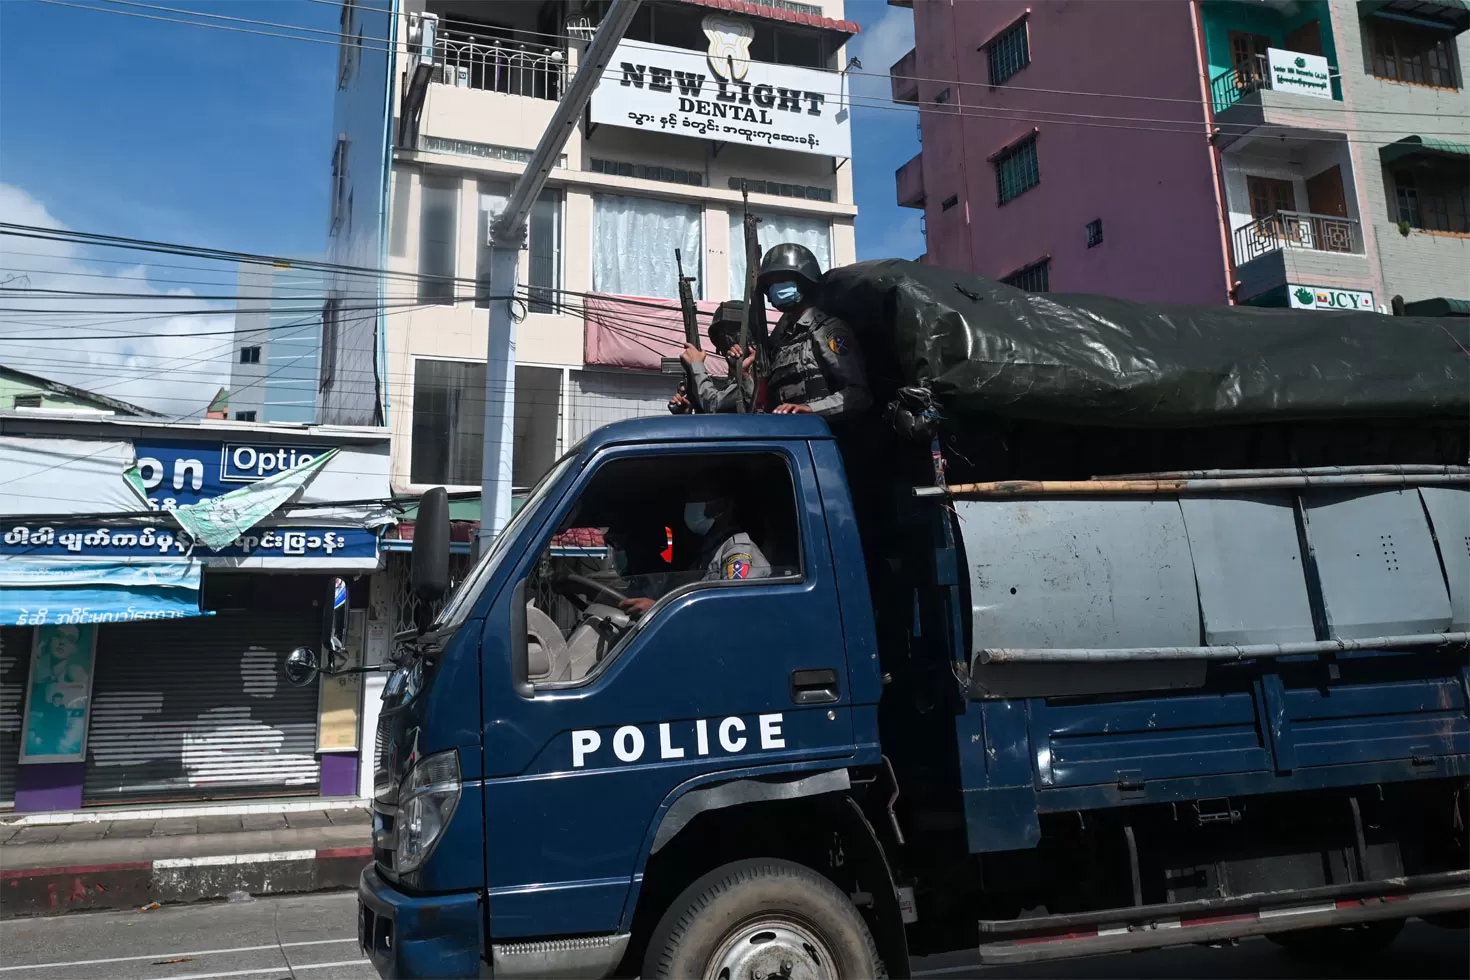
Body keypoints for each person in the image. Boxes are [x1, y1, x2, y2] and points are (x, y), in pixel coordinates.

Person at [619, 472, 770, 617]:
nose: (691, 504)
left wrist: (660, 611)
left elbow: (734, 610)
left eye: (699, 497)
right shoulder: (708, 550)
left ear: (725, 505)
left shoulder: (737, 551)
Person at [757, 243, 871, 419]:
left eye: (783, 280)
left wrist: (811, 409)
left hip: (826, 438)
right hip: (790, 436)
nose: (776, 288)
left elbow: (858, 395)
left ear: (805, 283)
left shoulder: (827, 330)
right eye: (771, 284)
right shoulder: (779, 342)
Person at [668, 302, 758, 414]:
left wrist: (696, 366)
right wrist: (687, 412)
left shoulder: (755, 378)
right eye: (722, 334)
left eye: (733, 332)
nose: (727, 339)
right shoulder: (730, 382)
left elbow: (714, 405)